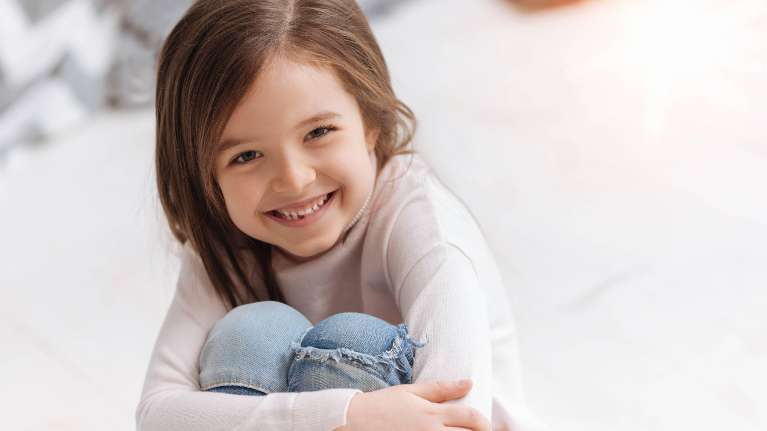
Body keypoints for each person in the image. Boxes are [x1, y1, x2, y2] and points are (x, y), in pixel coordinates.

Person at [135, 1, 539, 430]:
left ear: (370, 121)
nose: (293, 180)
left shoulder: (426, 228)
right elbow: (158, 413)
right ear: (205, 174)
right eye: (247, 155)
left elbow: (457, 417)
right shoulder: (226, 241)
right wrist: (346, 416)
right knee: (254, 332)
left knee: (351, 341)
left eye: (318, 132)